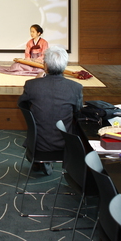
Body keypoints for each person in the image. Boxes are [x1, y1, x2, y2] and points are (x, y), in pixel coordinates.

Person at [17, 46, 83, 174]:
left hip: (37, 144)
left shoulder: (32, 85)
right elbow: (78, 111)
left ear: (45, 65)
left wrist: (37, 82)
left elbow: (22, 104)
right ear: (65, 66)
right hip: (65, 145)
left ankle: (40, 162)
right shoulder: (75, 87)